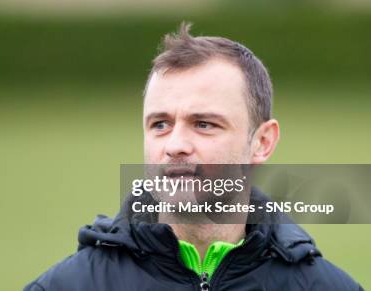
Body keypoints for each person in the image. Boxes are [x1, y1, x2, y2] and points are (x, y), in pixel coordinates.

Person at [24, 22, 362, 290]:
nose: (175, 145)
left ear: (262, 142)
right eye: (160, 124)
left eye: (203, 124)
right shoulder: (69, 285)